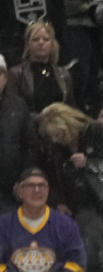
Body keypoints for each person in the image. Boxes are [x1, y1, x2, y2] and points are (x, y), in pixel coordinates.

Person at [35, 101, 103, 272]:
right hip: (74, 206)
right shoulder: (55, 146)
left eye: (59, 134)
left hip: (102, 204)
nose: (55, 139)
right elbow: (55, 177)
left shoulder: (94, 132)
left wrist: (89, 164)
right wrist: (59, 202)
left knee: (95, 246)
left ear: (67, 125)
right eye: (53, 136)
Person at [0, 167, 85, 272]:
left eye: (41, 185)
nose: (37, 190)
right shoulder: (3, 225)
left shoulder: (66, 224)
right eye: (30, 186)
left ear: (48, 191)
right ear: (20, 192)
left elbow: (77, 264)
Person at [0, 54, 42, 213]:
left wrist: (24, 180)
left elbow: (30, 146)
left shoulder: (18, 106)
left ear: (4, 77)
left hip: (11, 189)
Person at [7, 20, 74, 113]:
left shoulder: (64, 74)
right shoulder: (16, 74)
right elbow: (11, 110)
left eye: (46, 39)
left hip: (58, 124)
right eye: (35, 39)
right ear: (28, 44)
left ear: (52, 44)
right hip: (29, 125)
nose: (41, 43)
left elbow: (70, 108)